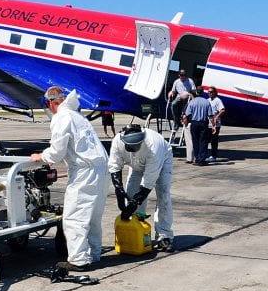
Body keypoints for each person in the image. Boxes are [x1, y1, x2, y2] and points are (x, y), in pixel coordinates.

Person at [31, 86, 109, 271]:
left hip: (84, 171)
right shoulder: (77, 115)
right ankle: (93, 253)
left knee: (74, 216)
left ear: (50, 103)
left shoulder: (62, 117)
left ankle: (79, 260)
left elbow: (57, 152)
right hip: (100, 168)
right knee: (92, 216)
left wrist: (41, 156)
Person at [108, 124, 175, 252]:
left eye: (136, 145)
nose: (132, 148)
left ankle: (164, 235)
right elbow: (114, 166)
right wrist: (119, 190)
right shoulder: (117, 141)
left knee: (163, 195)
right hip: (136, 165)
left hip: (161, 161)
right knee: (130, 193)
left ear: (142, 139)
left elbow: (148, 182)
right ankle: (137, 228)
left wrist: (135, 201)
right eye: (129, 146)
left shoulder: (154, 146)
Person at [181, 87, 216, 165]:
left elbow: (186, 114)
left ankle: (197, 158)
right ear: (203, 92)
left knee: (195, 141)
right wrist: (213, 126)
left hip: (194, 123)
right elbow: (210, 115)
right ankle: (201, 159)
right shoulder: (206, 102)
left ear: (196, 92)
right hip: (203, 123)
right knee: (203, 141)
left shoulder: (192, 102)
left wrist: (186, 123)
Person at [207, 86, 226, 161]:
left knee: (213, 141)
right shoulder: (207, 100)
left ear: (215, 92)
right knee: (206, 140)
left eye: (211, 92)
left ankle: (213, 156)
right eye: (208, 92)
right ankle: (204, 154)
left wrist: (216, 117)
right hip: (208, 123)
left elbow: (223, 110)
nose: (210, 93)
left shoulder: (218, 100)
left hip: (215, 124)